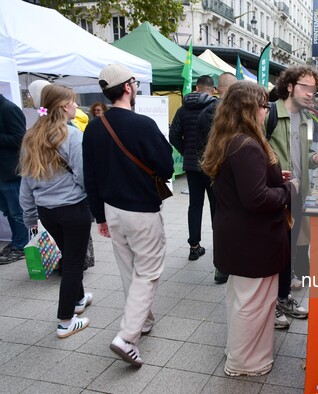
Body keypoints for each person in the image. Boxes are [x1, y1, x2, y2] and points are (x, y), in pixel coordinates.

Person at [83, 64, 173, 367]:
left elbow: (90, 176)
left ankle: (143, 321)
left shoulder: (93, 127)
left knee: (129, 269)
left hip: (112, 209)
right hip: (142, 211)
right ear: (128, 87)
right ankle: (127, 336)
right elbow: (166, 167)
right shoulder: (143, 125)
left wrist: (100, 217)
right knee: (147, 272)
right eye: (134, 83)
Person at [201, 81, 290, 377]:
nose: (267, 111)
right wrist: (289, 189)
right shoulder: (248, 145)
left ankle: (239, 354)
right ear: (251, 109)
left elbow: (247, 187)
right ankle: (245, 363)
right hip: (254, 239)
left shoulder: (229, 139)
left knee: (242, 299)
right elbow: (257, 198)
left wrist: (274, 177)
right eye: (264, 106)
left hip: (237, 235)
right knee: (254, 303)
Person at [19, 84, 92, 337]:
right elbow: (83, 175)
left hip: (46, 211)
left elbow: (25, 183)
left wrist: (29, 216)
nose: (76, 106)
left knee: (70, 256)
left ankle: (79, 299)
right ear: (63, 106)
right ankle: (65, 320)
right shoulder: (72, 136)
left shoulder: (31, 136)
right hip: (73, 207)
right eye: (73, 102)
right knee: (73, 262)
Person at [266, 65, 318, 329]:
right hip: (274, 196)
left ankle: (283, 297)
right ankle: (268, 305)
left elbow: (301, 157)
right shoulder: (269, 114)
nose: (310, 94)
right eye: (305, 87)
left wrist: (314, 159)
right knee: (271, 252)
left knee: (289, 252)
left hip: (297, 196)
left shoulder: (305, 119)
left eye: (313, 89)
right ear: (290, 86)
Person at [169, 75, 216, 261]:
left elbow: (173, 136)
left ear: (196, 88)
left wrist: (187, 150)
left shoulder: (182, 109)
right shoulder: (215, 108)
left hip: (191, 165)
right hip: (212, 165)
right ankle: (219, 246)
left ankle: (194, 247)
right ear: (212, 90)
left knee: (194, 205)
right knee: (216, 205)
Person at [197, 72, 238, 284]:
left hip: (214, 173)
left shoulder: (205, 113)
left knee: (219, 219)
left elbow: (203, 143)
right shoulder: (240, 113)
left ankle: (221, 267)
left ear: (218, 89)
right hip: (234, 174)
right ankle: (232, 262)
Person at [0, 94, 28, 264]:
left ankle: (22, 245)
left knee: (17, 211)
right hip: (3, 172)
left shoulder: (9, 109)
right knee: (9, 211)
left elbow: (20, 138)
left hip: (11, 172)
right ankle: (18, 242)